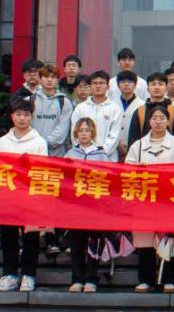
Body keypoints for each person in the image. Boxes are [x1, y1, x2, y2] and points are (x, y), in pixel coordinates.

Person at [125, 105, 174, 292]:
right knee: (145, 241)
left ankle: (169, 279)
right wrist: (137, 170)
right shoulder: (137, 145)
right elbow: (127, 170)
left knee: (168, 238)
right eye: (155, 118)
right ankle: (145, 280)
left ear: (168, 121)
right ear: (149, 121)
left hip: (169, 200)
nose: (158, 122)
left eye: (162, 118)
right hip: (145, 199)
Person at [0, 96, 49, 292]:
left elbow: (42, 169)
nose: (22, 118)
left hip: (30, 196)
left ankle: (28, 275)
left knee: (31, 238)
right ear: (12, 116)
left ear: (31, 117)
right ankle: (9, 274)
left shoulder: (39, 142)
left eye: (26, 114)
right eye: (18, 114)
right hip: (7, 196)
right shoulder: (1, 142)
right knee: (7, 237)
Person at [65, 118, 111, 293]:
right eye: (81, 131)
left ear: (93, 133)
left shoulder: (101, 154)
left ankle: (91, 278)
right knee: (77, 244)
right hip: (75, 208)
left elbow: (108, 177)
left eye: (87, 130)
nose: (84, 134)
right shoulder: (70, 154)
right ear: (76, 134)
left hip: (95, 208)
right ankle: (77, 279)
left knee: (94, 244)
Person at [122, 72, 174, 156]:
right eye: (153, 84)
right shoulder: (140, 111)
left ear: (166, 88)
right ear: (148, 89)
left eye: (160, 84)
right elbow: (133, 140)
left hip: (169, 157)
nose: (157, 87)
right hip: (144, 158)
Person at [70, 70, 123, 160]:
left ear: (108, 87)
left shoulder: (115, 108)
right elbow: (74, 133)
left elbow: (114, 136)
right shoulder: (80, 108)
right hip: (83, 158)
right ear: (90, 86)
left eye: (101, 83)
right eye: (94, 83)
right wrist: (84, 152)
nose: (98, 86)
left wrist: (99, 153)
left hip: (107, 159)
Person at [32, 64, 74, 157]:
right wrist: (36, 143)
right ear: (40, 79)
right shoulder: (30, 100)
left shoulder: (64, 102)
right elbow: (27, 125)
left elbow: (63, 127)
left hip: (56, 153)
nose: (49, 80)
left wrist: (45, 143)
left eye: (53, 77)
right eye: (46, 77)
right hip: (33, 150)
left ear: (57, 80)